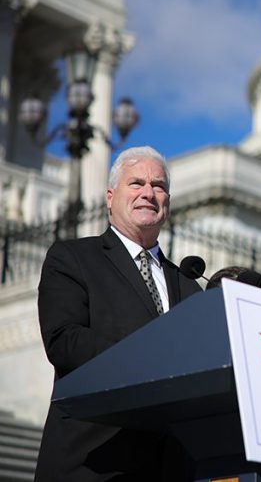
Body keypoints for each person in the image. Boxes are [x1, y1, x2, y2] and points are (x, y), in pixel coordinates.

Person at [35, 146, 202, 481]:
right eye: (136, 183)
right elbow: (64, 341)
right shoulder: (73, 258)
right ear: (110, 197)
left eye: (159, 186)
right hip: (93, 462)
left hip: (169, 469)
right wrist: (150, 361)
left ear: (167, 202)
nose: (149, 194)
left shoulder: (189, 286)